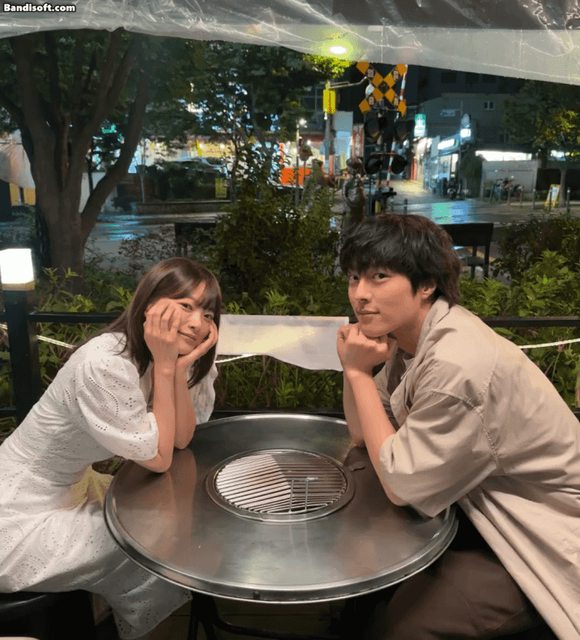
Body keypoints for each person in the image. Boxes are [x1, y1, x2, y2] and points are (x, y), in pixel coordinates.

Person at [336, 214, 579, 640]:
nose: (360, 294)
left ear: (426, 285)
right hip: (472, 505)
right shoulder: (410, 340)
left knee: (406, 627)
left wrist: (357, 374)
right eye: (355, 277)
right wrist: (354, 368)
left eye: (379, 277)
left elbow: (402, 485)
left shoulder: (457, 364)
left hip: (533, 531)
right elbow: (363, 434)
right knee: (360, 575)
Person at [0, 257, 221, 640]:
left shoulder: (161, 357)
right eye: (186, 306)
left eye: (207, 313)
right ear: (149, 304)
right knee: (153, 545)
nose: (197, 323)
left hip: (73, 490)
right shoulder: (104, 364)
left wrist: (178, 367)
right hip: (17, 512)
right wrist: (166, 364)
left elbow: (181, 438)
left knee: (180, 517)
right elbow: (159, 458)